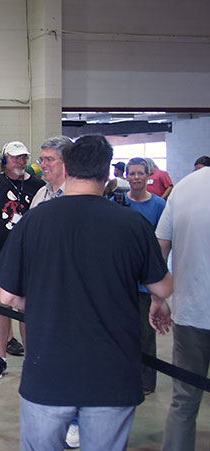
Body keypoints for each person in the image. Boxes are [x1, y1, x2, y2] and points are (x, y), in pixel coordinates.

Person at [0, 134, 173, 451]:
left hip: (47, 371)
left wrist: (42, 301)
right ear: (108, 177)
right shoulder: (132, 224)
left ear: (68, 169)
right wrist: (158, 302)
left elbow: (6, 296)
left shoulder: (34, 221)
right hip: (112, 374)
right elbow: (163, 286)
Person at [0, 140, 45, 379]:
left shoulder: (39, 187)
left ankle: (31, 360)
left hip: (31, 260)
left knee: (26, 311)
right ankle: (0, 357)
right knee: (1, 310)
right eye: (15, 158)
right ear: (5, 160)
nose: (21, 162)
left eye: (24, 157)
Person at [29, 135, 81, 448]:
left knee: (72, 359)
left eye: (49, 160)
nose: (42, 165)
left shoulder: (77, 196)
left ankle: (75, 421)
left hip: (71, 293)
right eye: (42, 159)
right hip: (43, 289)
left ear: (67, 163)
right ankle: (55, 417)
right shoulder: (41, 195)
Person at [156, 166, 210, 451]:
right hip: (190, 311)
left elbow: (161, 246)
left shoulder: (186, 186)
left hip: (191, 311)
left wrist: (158, 299)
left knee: (185, 399)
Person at [124, 157, 166, 396]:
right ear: (127, 176)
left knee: (145, 332)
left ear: (148, 175)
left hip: (145, 281)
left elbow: (163, 245)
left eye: (140, 173)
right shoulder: (117, 203)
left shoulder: (159, 205)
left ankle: (146, 381)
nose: (136, 178)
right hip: (123, 279)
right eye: (132, 173)